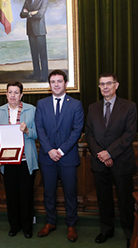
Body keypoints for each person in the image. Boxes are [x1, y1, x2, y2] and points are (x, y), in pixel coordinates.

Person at [85, 73, 137, 248]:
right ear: (99, 87)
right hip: (99, 161)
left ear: (117, 85)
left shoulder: (129, 107)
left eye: (109, 83)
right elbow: (89, 134)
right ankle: (107, 229)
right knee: (104, 199)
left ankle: (131, 233)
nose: (105, 87)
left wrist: (110, 153)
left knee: (125, 201)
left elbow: (129, 135)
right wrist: (101, 153)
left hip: (122, 161)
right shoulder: (93, 108)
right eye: (102, 84)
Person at [35, 70, 84, 242]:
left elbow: (77, 130)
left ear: (66, 83)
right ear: (49, 85)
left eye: (60, 81)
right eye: (53, 81)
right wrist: (49, 150)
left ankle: (71, 224)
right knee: (49, 192)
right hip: (47, 157)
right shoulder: (41, 104)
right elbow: (39, 128)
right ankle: (50, 222)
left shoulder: (76, 105)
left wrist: (61, 151)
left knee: (70, 192)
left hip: (68, 158)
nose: (56, 84)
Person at [0, 81, 38, 239]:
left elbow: (37, 134)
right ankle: (14, 226)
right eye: (10, 92)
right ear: (6, 94)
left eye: (16, 92)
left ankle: (27, 227)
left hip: (26, 161)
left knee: (26, 195)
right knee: (11, 195)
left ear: (21, 95)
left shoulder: (31, 110)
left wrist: (27, 130)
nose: (13, 95)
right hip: (8, 161)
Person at [20, 0, 49, 82]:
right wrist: (32, 13)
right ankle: (36, 73)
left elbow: (40, 14)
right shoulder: (27, 0)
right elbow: (21, 14)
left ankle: (45, 76)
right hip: (30, 30)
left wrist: (28, 13)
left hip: (40, 31)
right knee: (34, 54)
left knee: (43, 54)